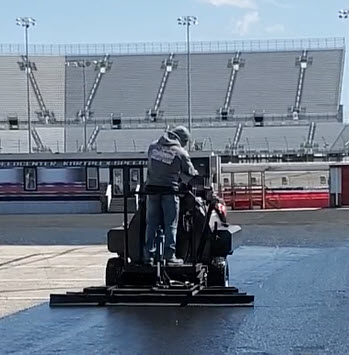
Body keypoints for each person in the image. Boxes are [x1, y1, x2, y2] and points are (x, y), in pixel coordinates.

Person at [144, 125, 198, 265]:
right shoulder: (180, 152)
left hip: (152, 190)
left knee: (151, 224)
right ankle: (169, 256)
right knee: (171, 224)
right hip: (170, 191)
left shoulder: (153, 147)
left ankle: (148, 256)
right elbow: (191, 173)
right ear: (182, 139)